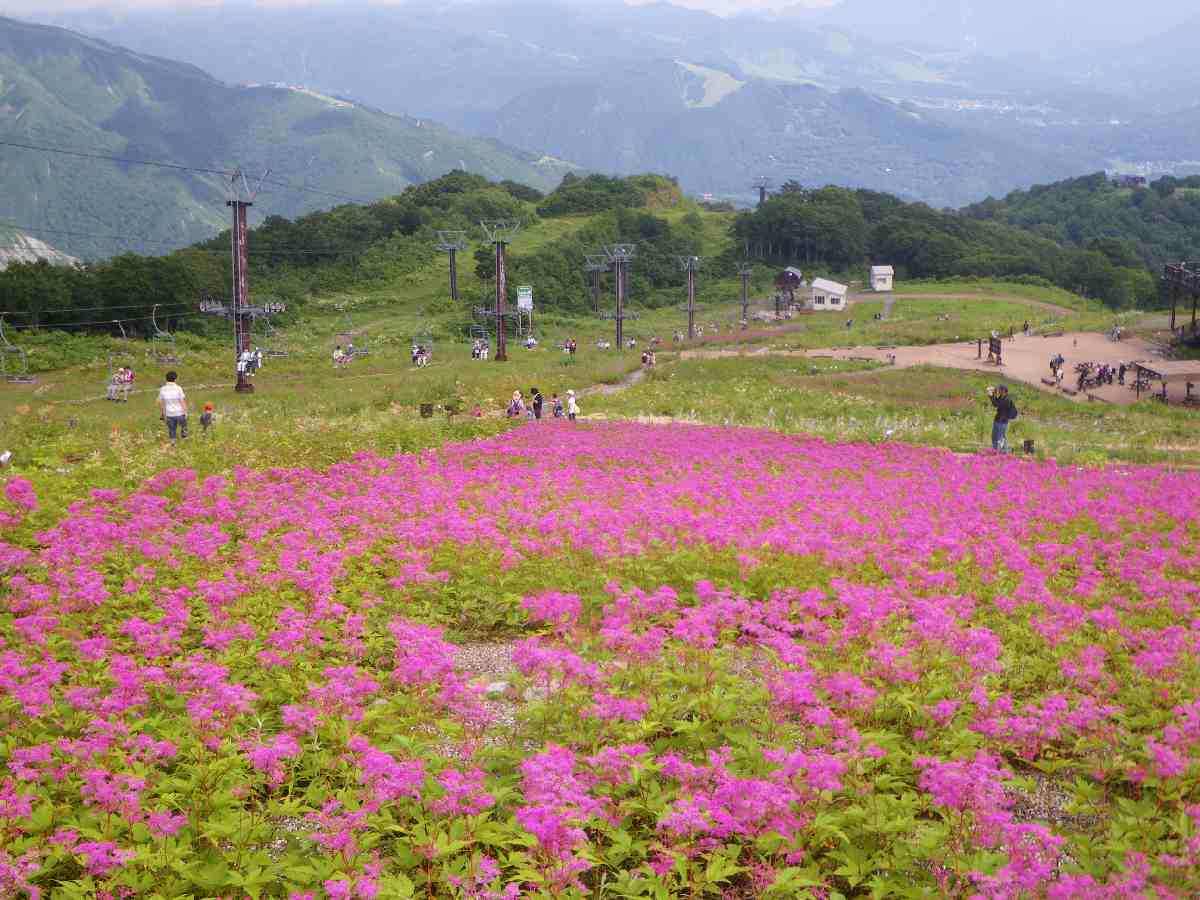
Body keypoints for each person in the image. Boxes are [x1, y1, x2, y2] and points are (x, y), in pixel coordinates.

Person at [157, 371, 188, 445]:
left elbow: (161, 402)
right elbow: (182, 401)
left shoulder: (162, 389)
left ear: (166, 379)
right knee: (184, 427)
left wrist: (162, 413)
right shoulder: (178, 388)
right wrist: (185, 412)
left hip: (169, 414)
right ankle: (185, 440)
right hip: (180, 412)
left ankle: (173, 444)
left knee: (172, 429)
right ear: (175, 379)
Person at [987, 384, 1017, 452]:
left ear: (1004, 391)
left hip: (1002, 421)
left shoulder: (1007, 399)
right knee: (995, 436)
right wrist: (993, 394)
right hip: (998, 420)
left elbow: (996, 404)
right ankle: (996, 450)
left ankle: (1003, 451)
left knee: (1001, 437)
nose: (999, 390)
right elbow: (996, 402)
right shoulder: (1002, 397)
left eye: (1000, 389)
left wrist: (991, 395)